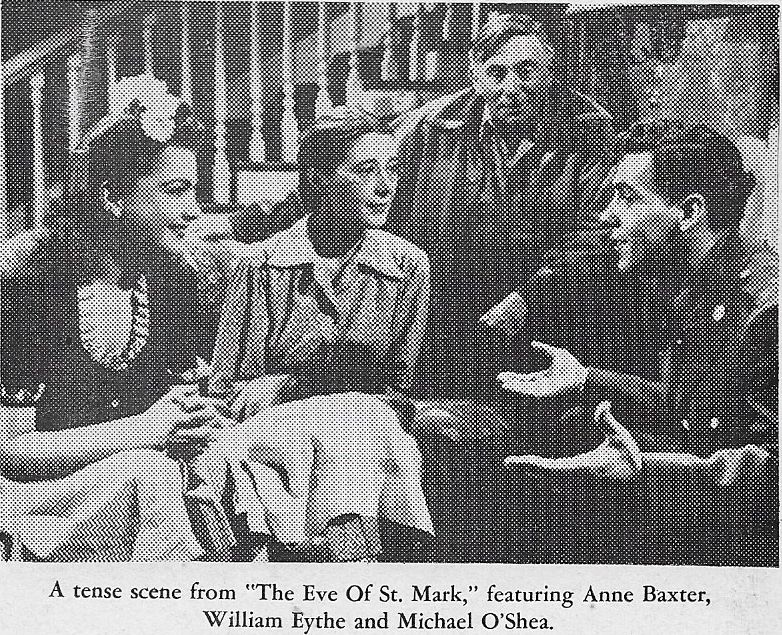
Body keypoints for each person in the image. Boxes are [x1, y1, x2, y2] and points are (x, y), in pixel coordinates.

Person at [500, 120, 778, 565]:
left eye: (627, 197)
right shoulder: (645, 282)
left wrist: (642, 466)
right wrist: (585, 382)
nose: (607, 213)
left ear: (689, 213)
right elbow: (679, 398)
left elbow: (759, 460)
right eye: (609, 196)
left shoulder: (762, 311)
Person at [0, 75, 235, 561]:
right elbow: (10, 451)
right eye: (175, 191)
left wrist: (197, 423)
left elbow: (178, 414)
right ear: (113, 197)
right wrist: (140, 433)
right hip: (47, 501)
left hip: (145, 489)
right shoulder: (28, 286)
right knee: (147, 477)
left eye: (195, 191)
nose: (193, 210)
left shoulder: (180, 283)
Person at [207, 108, 433, 561]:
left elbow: (399, 389)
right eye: (366, 171)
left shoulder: (407, 267)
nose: (384, 187)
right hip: (270, 442)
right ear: (314, 182)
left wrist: (296, 383)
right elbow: (228, 392)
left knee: (358, 421)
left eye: (392, 170)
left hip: (366, 438)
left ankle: (337, 561)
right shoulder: (259, 265)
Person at [389, 12, 616, 400]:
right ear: (476, 73)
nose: (510, 87)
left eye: (527, 72)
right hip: (440, 325)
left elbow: (598, 235)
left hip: (548, 334)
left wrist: (532, 297)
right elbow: (391, 227)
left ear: (553, 74)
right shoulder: (431, 129)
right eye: (496, 74)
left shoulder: (590, 132)